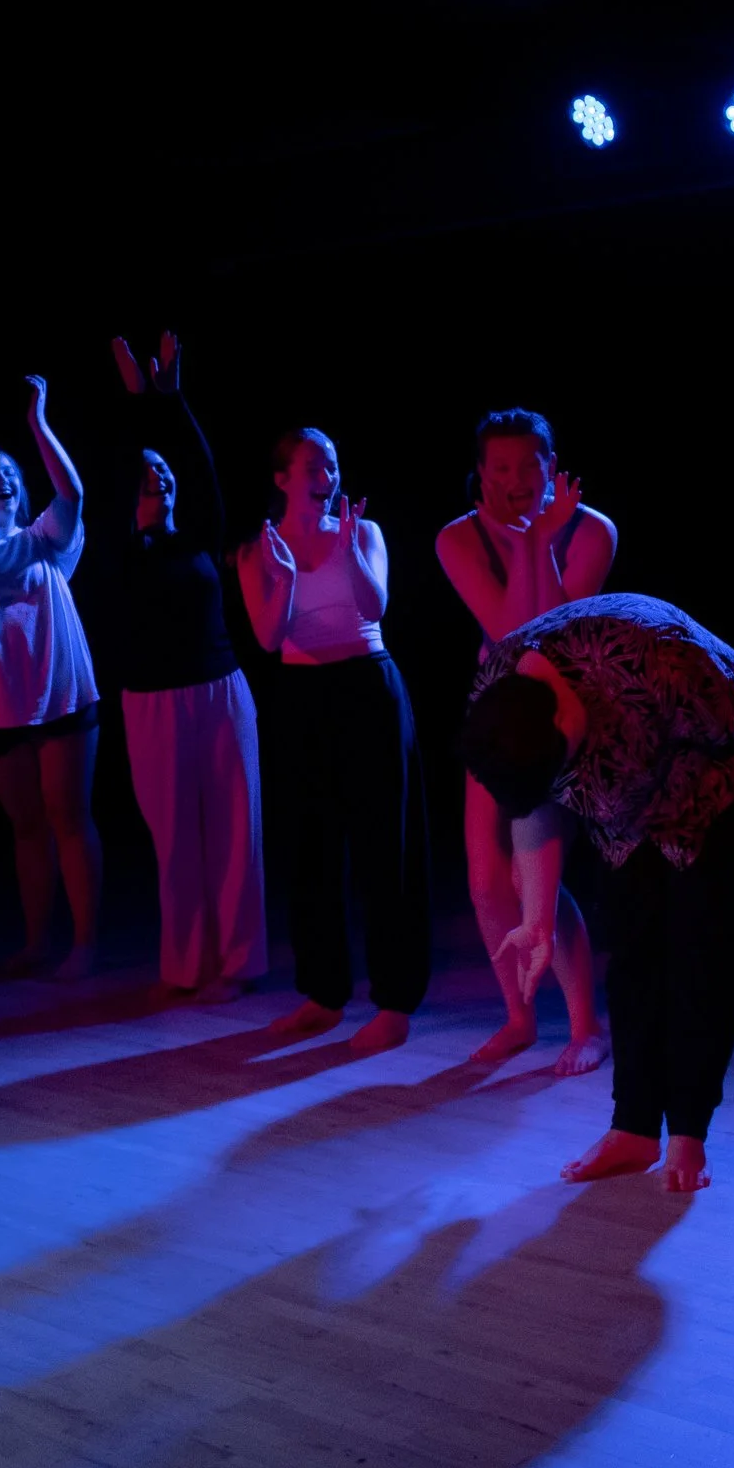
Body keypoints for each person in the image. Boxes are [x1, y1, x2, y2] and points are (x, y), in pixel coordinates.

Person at [460, 593, 734, 1192]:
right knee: (632, 955)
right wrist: (538, 918)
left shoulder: (650, 662)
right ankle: (634, 1129)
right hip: (624, 809)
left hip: (714, 783)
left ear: (568, 724)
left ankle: (689, 1133)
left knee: (698, 956)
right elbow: (535, 807)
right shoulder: (500, 697)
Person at [434, 408, 617, 1075]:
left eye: (529, 466)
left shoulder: (592, 530)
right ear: (481, 476)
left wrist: (535, 541)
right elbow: (506, 632)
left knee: (531, 875)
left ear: (552, 466)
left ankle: (585, 1026)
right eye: (501, 468)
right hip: (495, 708)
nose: (516, 480)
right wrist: (528, 541)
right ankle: (518, 1018)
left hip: (561, 715)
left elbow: (552, 631)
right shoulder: (457, 539)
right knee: (486, 881)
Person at [237, 426, 429, 1054]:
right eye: (314, 465)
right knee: (310, 850)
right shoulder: (258, 550)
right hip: (302, 696)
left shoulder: (363, 532)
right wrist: (287, 576)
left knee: (384, 848)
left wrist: (347, 552)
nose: (328, 475)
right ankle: (323, 995)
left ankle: (395, 1002)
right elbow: (268, 638)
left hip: (368, 688)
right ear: (283, 479)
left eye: (333, 464)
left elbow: (375, 608)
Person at [110, 330, 265, 1003]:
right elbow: (114, 471)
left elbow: (202, 474)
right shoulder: (118, 553)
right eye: (148, 474)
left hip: (222, 689)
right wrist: (137, 408)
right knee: (175, 839)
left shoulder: (197, 536)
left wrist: (172, 404)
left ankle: (238, 964)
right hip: (153, 702)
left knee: (237, 829)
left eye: (163, 471)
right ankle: (185, 966)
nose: (162, 477)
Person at [0, 376, 105, 979]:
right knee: (28, 826)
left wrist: (37, 423)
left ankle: (84, 945)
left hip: (61, 694)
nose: (4, 478)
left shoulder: (47, 539)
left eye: (12, 472)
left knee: (69, 817)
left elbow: (73, 492)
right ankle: (37, 942)